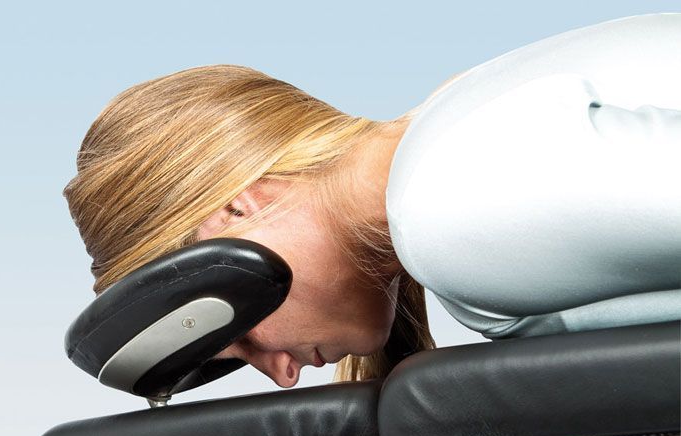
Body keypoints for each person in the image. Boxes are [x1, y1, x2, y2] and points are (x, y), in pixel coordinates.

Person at [63, 13, 681, 390]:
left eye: (244, 338)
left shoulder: (448, 205)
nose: (283, 374)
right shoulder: (448, 152)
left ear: (240, 206)